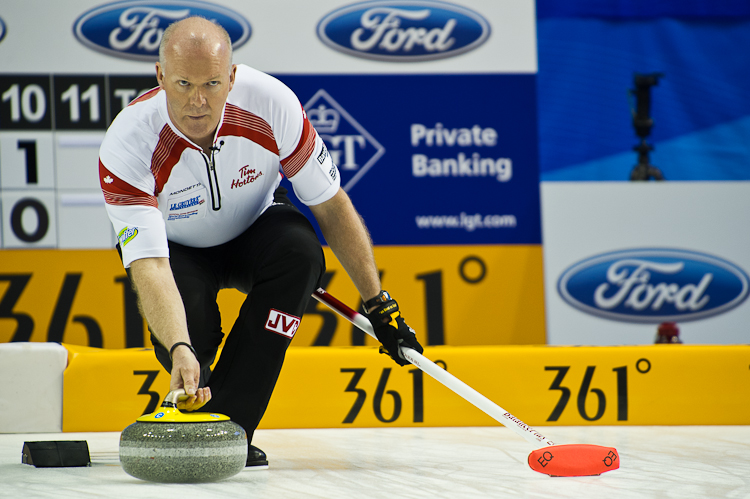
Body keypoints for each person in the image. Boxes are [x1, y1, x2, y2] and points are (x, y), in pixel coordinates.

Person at [98, 16, 423, 468]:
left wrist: (377, 301)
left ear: (232, 77)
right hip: (175, 250)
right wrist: (179, 347)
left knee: (301, 254)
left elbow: (330, 205)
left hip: (257, 225)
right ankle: (197, 392)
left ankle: (230, 427)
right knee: (192, 339)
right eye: (184, 83)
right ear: (160, 76)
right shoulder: (128, 142)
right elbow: (149, 264)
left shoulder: (273, 104)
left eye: (212, 83)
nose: (198, 101)